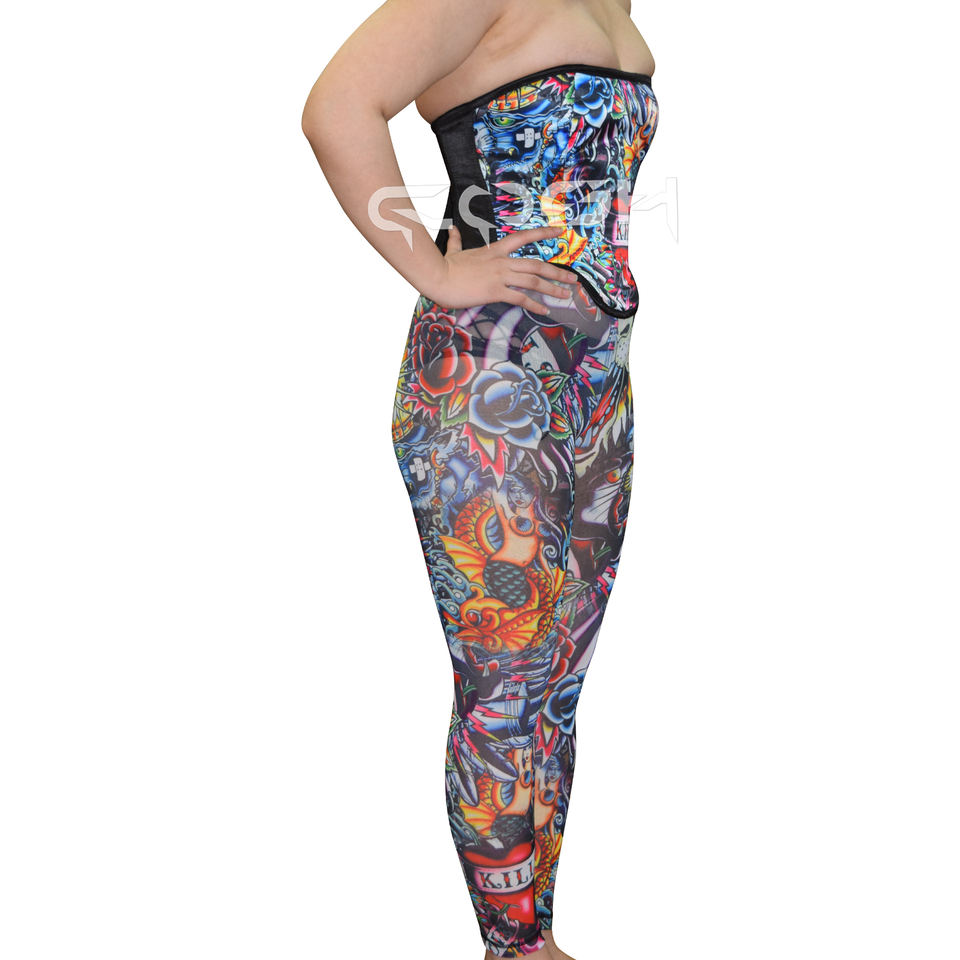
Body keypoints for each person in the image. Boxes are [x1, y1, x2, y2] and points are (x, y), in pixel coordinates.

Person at [301, 2, 658, 956]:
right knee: (504, 690)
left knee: (556, 688)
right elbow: (337, 107)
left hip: (595, 383)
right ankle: (515, 948)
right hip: (487, 380)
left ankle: (537, 934)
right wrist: (438, 270)